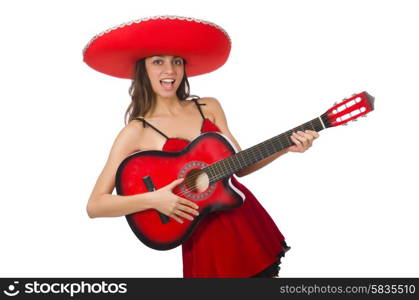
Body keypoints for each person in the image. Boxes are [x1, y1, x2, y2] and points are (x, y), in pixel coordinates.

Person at [83, 16, 319, 278]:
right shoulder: (135, 132)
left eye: (177, 61)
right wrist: (153, 199)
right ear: (144, 69)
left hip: (244, 219)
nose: (170, 70)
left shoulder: (208, 106)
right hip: (203, 238)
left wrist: (285, 147)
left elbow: (240, 165)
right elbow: (95, 205)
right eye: (158, 61)